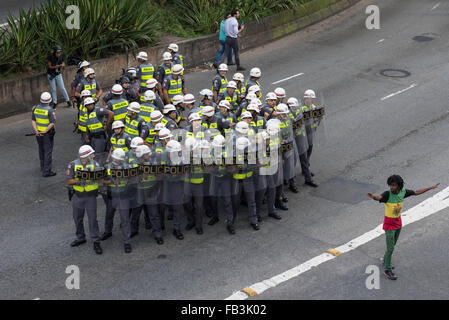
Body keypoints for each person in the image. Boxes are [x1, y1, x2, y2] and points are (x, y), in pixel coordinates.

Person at [366, 175, 439, 280]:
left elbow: (416, 192)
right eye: (390, 185)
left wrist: (430, 188)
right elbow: (379, 197)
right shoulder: (387, 194)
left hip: (398, 223)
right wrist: (373, 196)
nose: (391, 187)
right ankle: (387, 270)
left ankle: (386, 259)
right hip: (389, 225)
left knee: (393, 245)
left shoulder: (403, 192)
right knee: (390, 247)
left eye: (394, 185)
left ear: (399, 186)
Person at [66, 145, 103, 254]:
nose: (93, 155)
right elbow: (69, 181)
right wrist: (80, 181)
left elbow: (101, 179)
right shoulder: (73, 165)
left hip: (91, 196)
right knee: (77, 218)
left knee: (93, 220)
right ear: (86, 156)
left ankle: (96, 242)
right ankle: (80, 237)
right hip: (78, 196)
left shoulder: (95, 164)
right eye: (91, 154)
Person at [101, 148, 133, 253]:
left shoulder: (127, 167)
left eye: (119, 159)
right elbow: (100, 181)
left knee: (125, 219)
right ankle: (107, 231)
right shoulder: (106, 167)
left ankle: (127, 242)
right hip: (111, 195)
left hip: (123, 195)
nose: (117, 161)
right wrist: (109, 181)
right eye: (116, 159)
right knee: (109, 214)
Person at [32, 92, 56, 177]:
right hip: (46, 134)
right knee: (48, 152)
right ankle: (47, 171)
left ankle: (43, 167)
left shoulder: (35, 108)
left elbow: (33, 120)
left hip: (38, 134)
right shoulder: (50, 110)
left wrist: (36, 131)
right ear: (49, 100)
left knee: (41, 150)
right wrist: (45, 131)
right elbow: (52, 123)